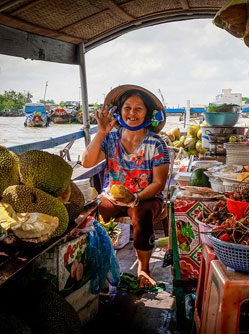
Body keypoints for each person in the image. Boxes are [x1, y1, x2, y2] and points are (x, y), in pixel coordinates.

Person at [81, 85, 169, 288]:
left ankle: (143, 269)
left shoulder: (156, 143)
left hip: (147, 197)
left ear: (147, 113)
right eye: (127, 108)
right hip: (114, 196)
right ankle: (99, 262)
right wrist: (101, 133)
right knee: (93, 213)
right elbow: (87, 162)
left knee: (141, 214)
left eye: (138, 109)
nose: (132, 113)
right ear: (120, 111)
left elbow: (158, 183)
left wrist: (136, 197)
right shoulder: (111, 138)